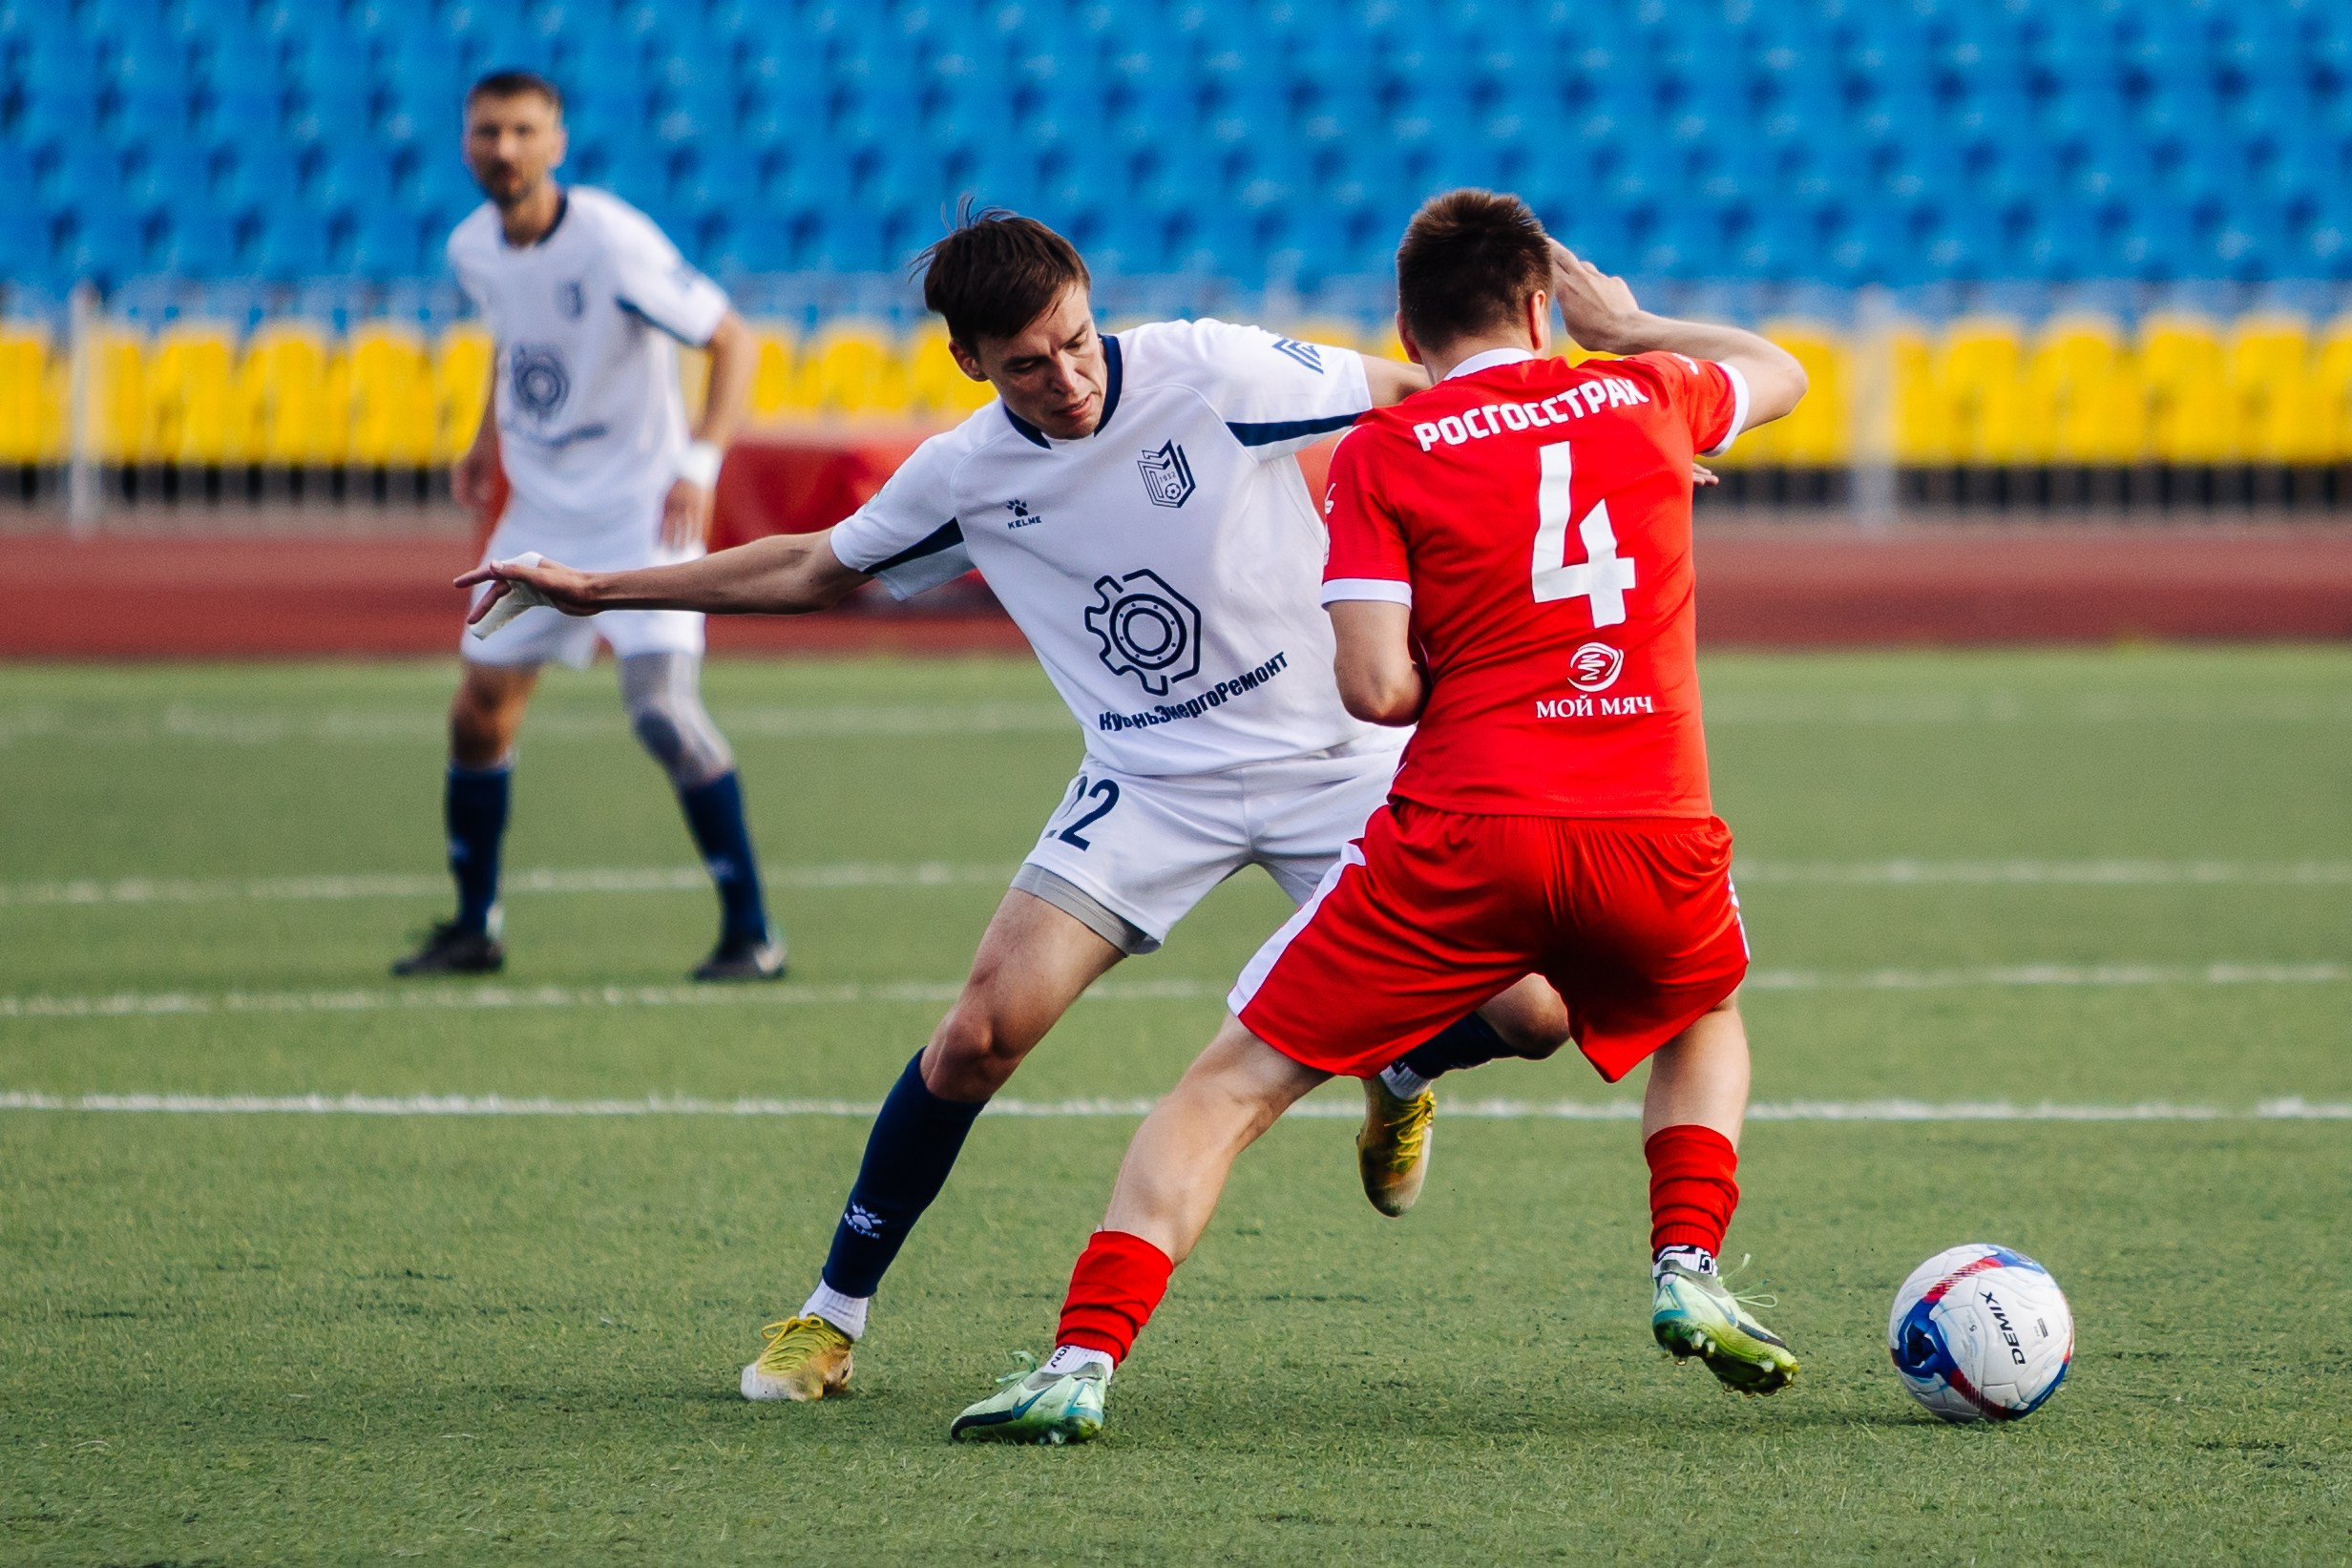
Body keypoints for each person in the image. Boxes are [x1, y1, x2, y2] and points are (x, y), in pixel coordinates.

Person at [457, 210, 1574, 1404]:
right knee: (980, 1032)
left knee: (1537, 1014)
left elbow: (1422, 388)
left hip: (1340, 759)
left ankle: (1402, 1068)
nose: (1069, 377)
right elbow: (811, 567)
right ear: (972, 364)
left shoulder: (1207, 365)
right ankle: (829, 1316)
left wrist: (1600, 447)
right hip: (1148, 780)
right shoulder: (966, 472)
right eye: (1029, 364)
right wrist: (595, 588)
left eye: (1078, 340)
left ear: (1094, 303)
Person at [946, 189, 1811, 1445]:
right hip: (1651, 820)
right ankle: (1687, 1263)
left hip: (1465, 829)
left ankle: (1082, 1358)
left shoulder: (1386, 451)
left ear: (1405, 328)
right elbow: (1777, 368)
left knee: (1228, 1085)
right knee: (1703, 1010)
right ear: (1539, 305)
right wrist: (1624, 327)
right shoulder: (1651, 399)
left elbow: (1374, 686)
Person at [393, 70, 784, 982]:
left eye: (524, 131)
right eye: (488, 130)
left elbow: (735, 341)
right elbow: (514, 343)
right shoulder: (472, 248)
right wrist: (482, 442)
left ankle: (752, 934)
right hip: (541, 514)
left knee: (662, 714)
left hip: (647, 513)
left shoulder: (610, 241)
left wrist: (698, 463)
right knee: (478, 715)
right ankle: (474, 926)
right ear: (466, 141)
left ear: (557, 142)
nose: (505, 148)